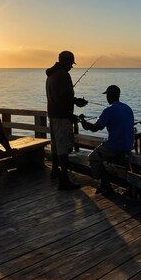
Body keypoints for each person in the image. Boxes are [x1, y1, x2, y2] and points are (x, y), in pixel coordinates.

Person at [80, 85, 134, 194]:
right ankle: (111, 184)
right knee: (106, 150)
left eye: (107, 95)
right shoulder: (127, 108)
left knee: (93, 158)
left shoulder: (109, 110)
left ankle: (104, 184)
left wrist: (84, 123)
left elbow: (96, 128)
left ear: (109, 95)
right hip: (129, 145)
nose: (106, 98)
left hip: (115, 147)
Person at [45, 50, 88, 190]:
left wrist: (75, 101)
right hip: (62, 117)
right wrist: (70, 114)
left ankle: (54, 171)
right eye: (70, 63)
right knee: (63, 148)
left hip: (52, 115)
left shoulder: (51, 75)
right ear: (63, 60)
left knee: (56, 145)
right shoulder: (64, 75)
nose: (71, 66)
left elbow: (61, 97)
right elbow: (64, 98)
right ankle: (64, 180)